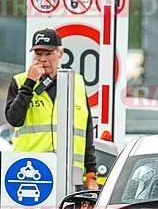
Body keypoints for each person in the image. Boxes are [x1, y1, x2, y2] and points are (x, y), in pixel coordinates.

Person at [5, 28, 98, 191]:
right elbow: (14, 119)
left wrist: (91, 175)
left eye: (48, 54)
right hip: (32, 171)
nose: (43, 59)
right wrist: (29, 84)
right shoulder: (20, 82)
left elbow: (87, 130)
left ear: (60, 53)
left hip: (69, 172)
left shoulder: (75, 83)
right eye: (38, 54)